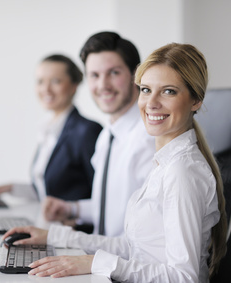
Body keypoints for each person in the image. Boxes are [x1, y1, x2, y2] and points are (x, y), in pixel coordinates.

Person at [2, 43, 228, 282]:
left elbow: (185, 277)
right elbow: (137, 248)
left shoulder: (182, 172)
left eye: (168, 91)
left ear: (196, 100)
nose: (151, 103)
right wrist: (55, 237)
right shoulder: (165, 162)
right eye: (146, 90)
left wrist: (96, 262)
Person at [43, 31, 156, 236]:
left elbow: (145, 236)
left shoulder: (149, 139)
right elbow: (113, 208)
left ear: (136, 74)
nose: (103, 85)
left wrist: (64, 240)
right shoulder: (108, 136)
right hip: (101, 256)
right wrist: (71, 209)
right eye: (94, 75)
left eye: (114, 73)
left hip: (121, 263)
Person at [0, 54, 102, 202]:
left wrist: (74, 212)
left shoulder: (87, 131)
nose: (46, 89)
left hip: (73, 225)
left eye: (55, 81)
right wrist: (8, 188)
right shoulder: (48, 128)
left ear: (74, 86)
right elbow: (47, 191)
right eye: (40, 81)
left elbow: (101, 197)